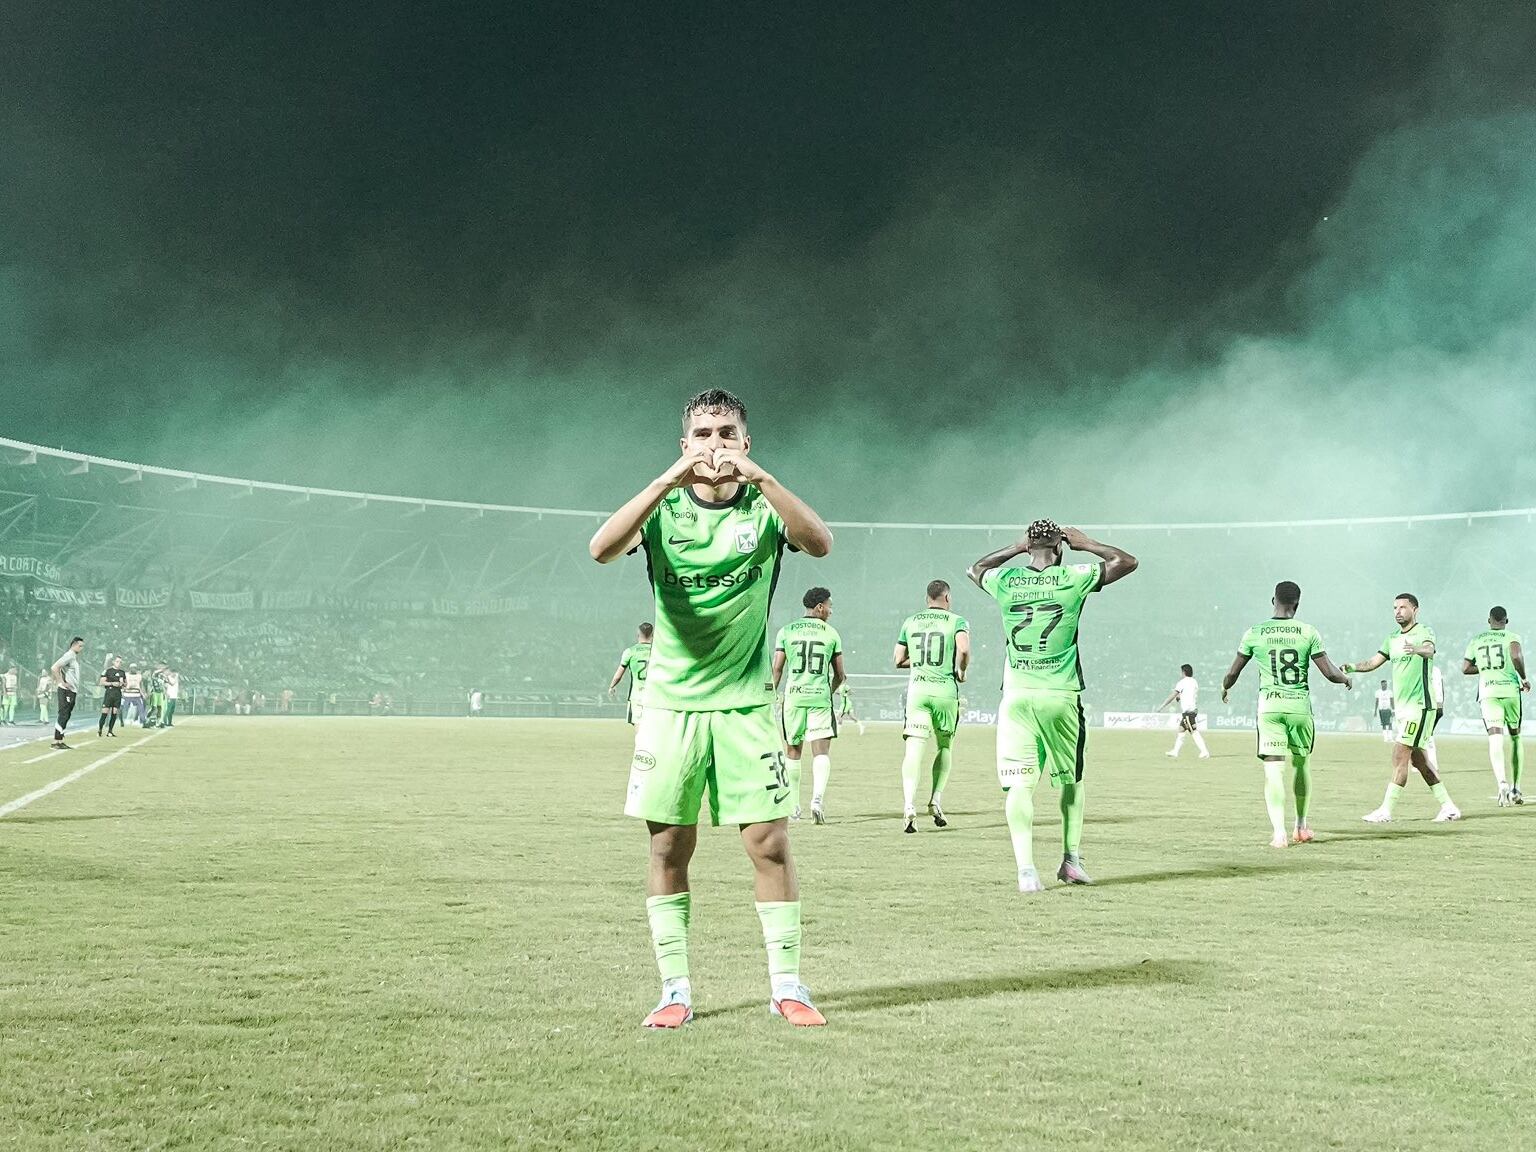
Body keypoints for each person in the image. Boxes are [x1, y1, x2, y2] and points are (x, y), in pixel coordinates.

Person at [589, 388, 833, 1029]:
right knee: (669, 845)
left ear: (746, 443)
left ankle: (788, 986)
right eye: (702, 434)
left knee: (769, 844)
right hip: (671, 707)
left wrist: (764, 479)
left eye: (727, 433)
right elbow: (601, 549)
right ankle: (674, 990)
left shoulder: (764, 506)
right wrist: (666, 481)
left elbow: (820, 543)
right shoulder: (664, 509)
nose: (715, 445)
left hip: (745, 706)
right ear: (685, 445)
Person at [968, 519, 1138, 892]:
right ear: (1060, 547)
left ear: (1029, 547)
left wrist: (1016, 548)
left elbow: (975, 569)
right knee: (1071, 780)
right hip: (1060, 695)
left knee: (1019, 786)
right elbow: (1126, 561)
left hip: (1016, 697)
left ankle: (1026, 872)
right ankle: (1071, 861)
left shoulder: (1006, 580)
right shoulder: (1073, 577)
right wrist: (1086, 543)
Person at [1220, 581, 1352, 846]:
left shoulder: (1255, 632)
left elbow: (1233, 672)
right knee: (1301, 765)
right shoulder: (1308, 632)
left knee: (1273, 771)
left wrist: (1225, 687)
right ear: (1297, 604)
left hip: (1270, 708)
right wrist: (1345, 678)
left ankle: (1279, 833)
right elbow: (1329, 672)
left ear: (1273, 601)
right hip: (1299, 708)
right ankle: (1301, 827)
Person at [1342, 594, 1460, 823]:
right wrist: (1352, 667)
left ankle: (1385, 810)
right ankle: (1449, 807)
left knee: (1399, 754)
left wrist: (1415, 649)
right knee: (1419, 760)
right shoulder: (1392, 638)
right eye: (1395, 607)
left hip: (1420, 706)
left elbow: (1429, 650)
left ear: (1415, 610)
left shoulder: (1424, 631)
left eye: (1403, 607)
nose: (1397, 611)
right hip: (1404, 709)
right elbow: (1373, 662)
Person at [894, 579, 970, 832]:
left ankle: (908, 805)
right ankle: (935, 800)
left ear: (927, 598)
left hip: (918, 692)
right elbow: (963, 650)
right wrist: (961, 671)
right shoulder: (957, 621)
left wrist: (918, 662)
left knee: (914, 749)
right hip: (945, 692)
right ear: (947, 597)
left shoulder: (910, 622)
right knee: (944, 746)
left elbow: (898, 659)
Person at [772, 587, 845, 824]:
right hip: (819, 698)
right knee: (821, 752)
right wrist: (828, 691)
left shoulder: (786, 631)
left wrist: (771, 696)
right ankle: (817, 800)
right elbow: (840, 675)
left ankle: (794, 807)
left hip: (794, 697)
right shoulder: (831, 634)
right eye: (829, 606)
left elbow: (777, 669)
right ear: (820, 607)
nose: (831, 611)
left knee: (793, 752)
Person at [1462, 606, 1527, 806]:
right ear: (1506, 621)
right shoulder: (1512, 637)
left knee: (1495, 738)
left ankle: (1501, 783)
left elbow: (1465, 668)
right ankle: (1516, 788)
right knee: (1515, 737)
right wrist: (1524, 678)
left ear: (1489, 620)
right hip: (1510, 692)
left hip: (1488, 693)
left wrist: (1484, 668)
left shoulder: (1477, 640)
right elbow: (1516, 656)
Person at [608, 623, 654, 726]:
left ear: (638, 634)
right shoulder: (658, 652)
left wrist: (612, 686)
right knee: (653, 727)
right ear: (652, 634)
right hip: (654, 695)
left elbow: (619, 675)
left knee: (639, 726)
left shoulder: (630, 651)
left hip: (637, 695)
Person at [1161, 664, 1209, 759]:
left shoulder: (1181, 683)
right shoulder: (1194, 682)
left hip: (1188, 712)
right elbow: (1189, 693)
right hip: (1192, 709)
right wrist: (1180, 697)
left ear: (1183, 672)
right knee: (1181, 730)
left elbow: (1173, 695)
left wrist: (1163, 705)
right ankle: (1175, 751)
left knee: (1193, 732)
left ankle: (1204, 752)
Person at [50, 636, 85, 749]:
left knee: (66, 715)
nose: (81, 648)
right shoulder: (69, 655)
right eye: (80, 646)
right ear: (74, 645)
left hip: (72, 690)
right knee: (63, 714)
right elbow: (54, 667)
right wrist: (61, 682)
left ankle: (60, 740)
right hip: (66, 690)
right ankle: (56, 741)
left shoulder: (73, 657)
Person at [99, 656, 126, 737]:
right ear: (113, 662)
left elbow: (125, 683)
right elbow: (101, 682)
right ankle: (100, 729)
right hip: (109, 693)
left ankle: (110, 731)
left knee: (114, 713)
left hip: (118, 694)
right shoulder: (108, 671)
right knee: (105, 712)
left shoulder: (122, 672)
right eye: (117, 661)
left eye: (120, 662)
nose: (119, 663)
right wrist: (112, 683)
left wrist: (122, 684)